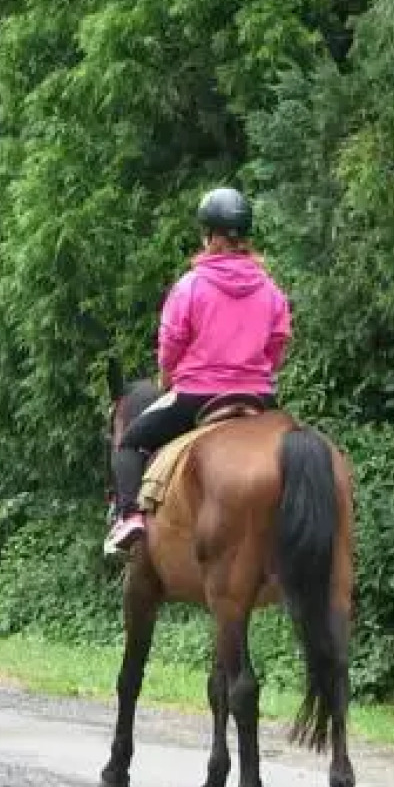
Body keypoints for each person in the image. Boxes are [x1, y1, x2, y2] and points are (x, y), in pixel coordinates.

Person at [104, 187, 291, 556]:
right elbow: (277, 344)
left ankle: (128, 518)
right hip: (257, 396)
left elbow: (171, 343)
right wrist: (257, 372)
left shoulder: (190, 286)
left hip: (198, 395)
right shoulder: (271, 290)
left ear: (207, 236)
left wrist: (167, 378)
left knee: (130, 442)